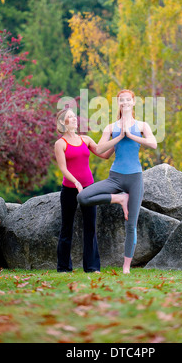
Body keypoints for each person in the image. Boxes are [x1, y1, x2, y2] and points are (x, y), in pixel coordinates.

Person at [77, 90, 157, 274]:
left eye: (128, 100)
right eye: (122, 100)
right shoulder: (111, 127)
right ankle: (119, 199)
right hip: (115, 178)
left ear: (133, 102)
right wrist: (120, 136)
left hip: (135, 178)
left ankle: (126, 267)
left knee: (131, 225)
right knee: (83, 197)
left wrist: (130, 134)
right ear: (119, 103)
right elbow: (100, 148)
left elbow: (153, 144)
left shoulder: (142, 125)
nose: (125, 102)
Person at [54, 107, 129, 273]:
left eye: (75, 116)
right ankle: (64, 267)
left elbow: (103, 154)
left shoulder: (85, 140)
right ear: (63, 122)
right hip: (69, 190)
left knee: (90, 227)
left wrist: (118, 141)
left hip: (89, 188)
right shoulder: (60, 144)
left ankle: (92, 267)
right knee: (66, 228)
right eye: (70, 117)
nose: (75, 119)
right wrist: (75, 182)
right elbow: (63, 168)